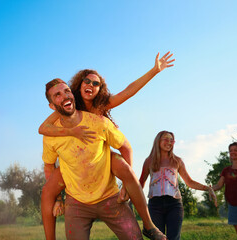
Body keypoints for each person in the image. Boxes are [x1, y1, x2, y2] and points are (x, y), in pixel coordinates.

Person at [40, 52, 174, 240]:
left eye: (97, 84)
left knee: (121, 164)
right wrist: (73, 132)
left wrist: (154, 71)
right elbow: (43, 128)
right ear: (78, 85)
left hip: (100, 159)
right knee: (48, 191)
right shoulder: (68, 103)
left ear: (100, 89)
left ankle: (149, 225)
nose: (91, 85)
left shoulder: (101, 109)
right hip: (75, 170)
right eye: (87, 81)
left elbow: (128, 91)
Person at [42, 78, 144, 240]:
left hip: (110, 198)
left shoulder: (98, 122)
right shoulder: (51, 135)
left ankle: (150, 225)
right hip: (76, 203)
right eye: (57, 95)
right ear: (52, 106)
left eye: (67, 91)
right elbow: (49, 166)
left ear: (73, 95)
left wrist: (126, 183)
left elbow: (125, 147)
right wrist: (57, 199)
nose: (65, 96)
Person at [139, 131, 217, 240]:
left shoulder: (177, 161)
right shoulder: (149, 161)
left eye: (172, 140)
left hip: (174, 205)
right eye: (166, 139)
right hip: (155, 205)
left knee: (174, 238)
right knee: (157, 238)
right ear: (158, 141)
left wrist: (208, 188)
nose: (169, 142)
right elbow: (140, 183)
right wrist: (130, 199)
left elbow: (189, 182)